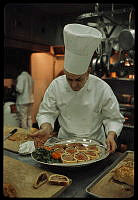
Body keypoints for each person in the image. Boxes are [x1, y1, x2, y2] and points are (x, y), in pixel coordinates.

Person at [31, 24, 125, 153]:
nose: (73, 85)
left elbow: (113, 117)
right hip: (64, 144)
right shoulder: (56, 86)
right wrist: (46, 127)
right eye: (69, 79)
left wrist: (111, 135)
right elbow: (47, 112)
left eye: (78, 79)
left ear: (88, 72)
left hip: (95, 145)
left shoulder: (101, 88)